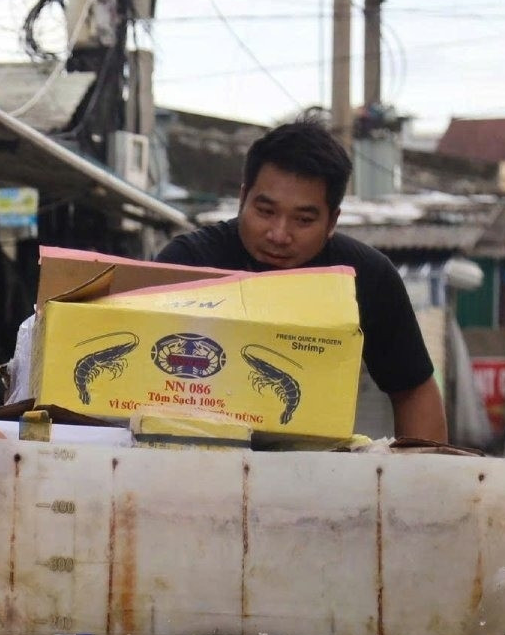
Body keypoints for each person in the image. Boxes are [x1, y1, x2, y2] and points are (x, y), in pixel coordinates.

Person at [155, 119, 448, 443]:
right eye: (265, 212)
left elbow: (413, 390)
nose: (279, 234)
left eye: (303, 220)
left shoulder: (367, 277)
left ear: (332, 220)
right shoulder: (188, 264)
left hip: (315, 473)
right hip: (191, 461)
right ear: (243, 200)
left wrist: (424, 479)